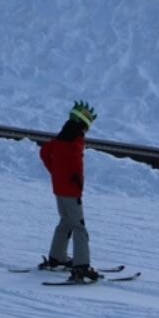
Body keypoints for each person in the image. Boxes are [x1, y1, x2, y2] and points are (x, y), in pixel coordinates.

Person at [39, 101, 99, 282]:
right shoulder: (76, 140)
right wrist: (76, 182)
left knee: (65, 221)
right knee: (79, 227)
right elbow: (75, 164)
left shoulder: (61, 137)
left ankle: (56, 258)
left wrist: (55, 172)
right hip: (71, 191)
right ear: (83, 124)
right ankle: (81, 266)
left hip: (58, 188)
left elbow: (44, 152)